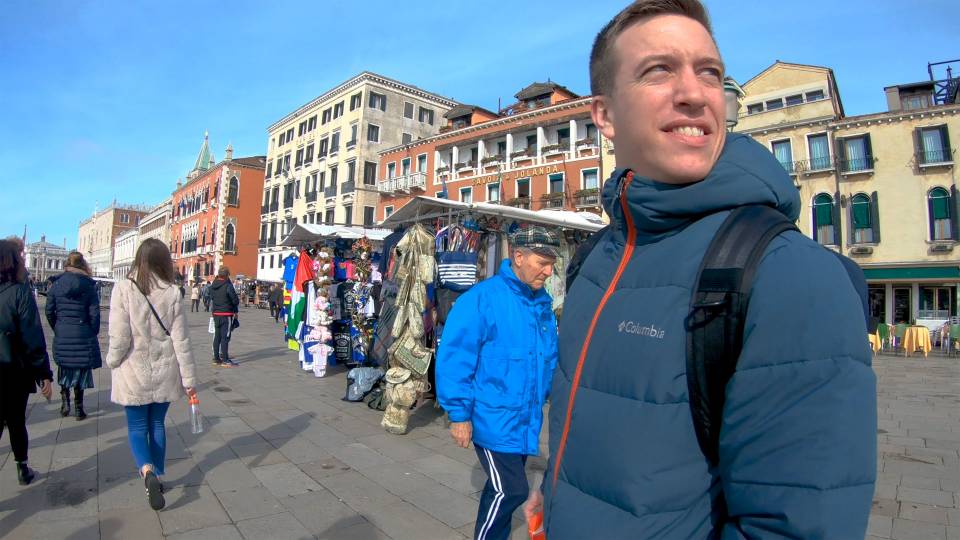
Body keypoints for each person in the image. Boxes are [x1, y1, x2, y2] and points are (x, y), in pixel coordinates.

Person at [529, 2, 877, 538]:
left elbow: (798, 526)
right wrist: (554, 500)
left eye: (709, 72)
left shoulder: (791, 275)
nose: (695, 93)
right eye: (659, 70)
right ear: (605, 115)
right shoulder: (595, 258)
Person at [437, 226, 560, 540]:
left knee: (500, 488)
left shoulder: (541, 304)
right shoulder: (482, 299)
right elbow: (455, 358)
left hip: (524, 418)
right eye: (542, 262)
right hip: (491, 417)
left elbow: (548, 357)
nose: (549, 271)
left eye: (551, 263)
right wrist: (459, 416)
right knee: (511, 491)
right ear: (518, 257)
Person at [105, 238, 196, 511]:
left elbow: (119, 337)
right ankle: (158, 474)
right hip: (166, 370)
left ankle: (147, 472)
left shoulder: (123, 289)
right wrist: (189, 379)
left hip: (134, 372)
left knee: (136, 427)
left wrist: (112, 360)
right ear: (164, 261)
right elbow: (182, 340)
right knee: (157, 425)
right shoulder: (172, 292)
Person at [0, 240, 53, 486]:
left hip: (10, 367)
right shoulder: (19, 291)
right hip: (13, 371)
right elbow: (32, 336)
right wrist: (43, 372)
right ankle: (22, 467)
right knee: (16, 420)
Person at [44, 251, 101, 420]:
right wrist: (92, 331)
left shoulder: (56, 284)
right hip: (83, 332)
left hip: (63, 331)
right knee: (80, 369)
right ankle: (79, 408)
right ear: (83, 265)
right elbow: (95, 314)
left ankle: (64, 403)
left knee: (64, 366)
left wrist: (58, 326)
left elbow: (49, 310)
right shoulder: (89, 286)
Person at [210, 267, 239, 367]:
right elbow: (234, 300)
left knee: (217, 336)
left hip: (216, 314)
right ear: (227, 275)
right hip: (226, 314)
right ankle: (225, 359)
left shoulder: (213, 285)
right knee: (225, 337)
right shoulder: (227, 286)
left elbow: (212, 298)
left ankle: (216, 358)